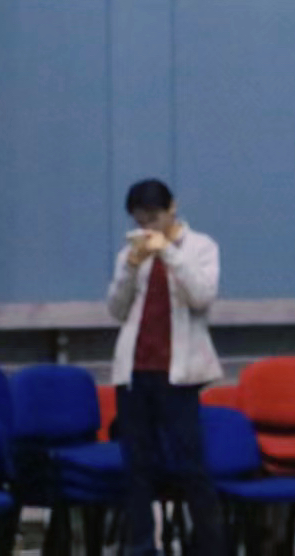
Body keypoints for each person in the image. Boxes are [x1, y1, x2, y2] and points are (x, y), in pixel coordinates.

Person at [106, 179, 225, 556]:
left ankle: (208, 547)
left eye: (153, 218)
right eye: (140, 221)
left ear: (172, 208)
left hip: (178, 375)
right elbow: (116, 310)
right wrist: (130, 267)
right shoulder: (131, 252)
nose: (147, 228)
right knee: (137, 466)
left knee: (191, 466)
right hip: (135, 372)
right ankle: (141, 546)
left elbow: (202, 295)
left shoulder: (201, 247)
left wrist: (168, 253)